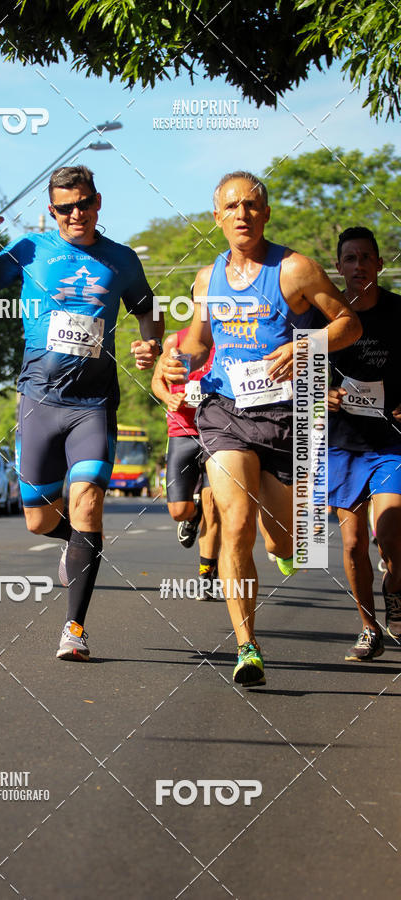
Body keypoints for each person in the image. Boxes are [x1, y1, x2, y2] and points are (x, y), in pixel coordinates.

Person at [0, 165, 163, 661]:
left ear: (98, 203)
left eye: (84, 204)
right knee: (37, 521)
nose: (76, 214)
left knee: (88, 500)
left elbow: (148, 308)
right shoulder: (30, 250)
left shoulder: (121, 259)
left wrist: (150, 344)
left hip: (93, 404)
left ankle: (75, 628)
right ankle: (78, 544)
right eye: (65, 208)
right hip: (39, 401)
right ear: (52, 213)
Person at [163, 171, 361, 687]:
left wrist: (305, 347)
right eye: (231, 206)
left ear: (266, 213)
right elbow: (198, 342)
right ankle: (247, 645)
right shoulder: (208, 279)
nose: (242, 214)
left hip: (287, 418)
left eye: (252, 205)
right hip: (226, 413)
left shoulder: (294, 269)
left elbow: (349, 324)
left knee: (285, 541)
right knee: (235, 524)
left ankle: (286, 549)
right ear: (217, 218)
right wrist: (166, 358)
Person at [327, 227, 401, 660]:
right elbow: (299, 366)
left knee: (391, 532)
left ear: (378, 263)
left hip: (391, 443)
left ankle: (396, 591)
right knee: (353, 543)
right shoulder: (325, 315)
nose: (358, 266)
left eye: (366, 258)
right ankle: (368, 627)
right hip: (342, 444)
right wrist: (322, 393)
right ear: (339, 267)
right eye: (350, 259)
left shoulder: (397, 312)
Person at [151, 327, 221, 597]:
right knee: (179, 510)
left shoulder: (231, 337)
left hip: (219, 433)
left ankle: (207, 577)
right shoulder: (176, 341)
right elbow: (158, 380)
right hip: (182, 431)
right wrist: (169, 397)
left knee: (214, 509)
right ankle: (193, 515)